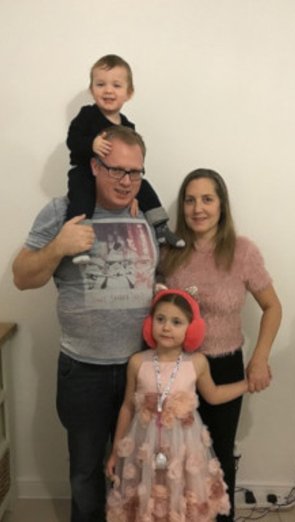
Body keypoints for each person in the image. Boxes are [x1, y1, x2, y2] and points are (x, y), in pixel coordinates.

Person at [13, 125, 158, 521]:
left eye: (135, 172)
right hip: (84, 371)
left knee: (138, 469)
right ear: (94, 166)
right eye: (116, 170)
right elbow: (22, 277)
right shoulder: (62, 212)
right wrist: (59, 246)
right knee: (86, 474)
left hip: (141, 369)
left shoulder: (148, 215)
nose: (126, 181)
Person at [160, 168, 281, 522]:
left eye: (207, 199)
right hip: (176, 368)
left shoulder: (242, 252)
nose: (198, 208)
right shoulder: (169, 251)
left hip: (225, 366)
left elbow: (273, 307)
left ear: (222, 205)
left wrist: (259, 359)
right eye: (190, 200)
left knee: (219, 455)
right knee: (175, 454)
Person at [105, 287, 248, 522]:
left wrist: (247, 385)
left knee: (181, 497)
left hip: (184, 449)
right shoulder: (138, 362)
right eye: (160, 319)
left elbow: (213, 395)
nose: (166, 327)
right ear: (150, 322)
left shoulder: (197, 363)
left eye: (176, 322)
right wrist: (115, 452)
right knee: (147, 499)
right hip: (144, 448)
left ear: (191, 328)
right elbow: (127, 407)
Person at [65, 54, 183, 264]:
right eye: (101, 84)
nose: (108, 90)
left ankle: (160, 227)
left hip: (117, 178)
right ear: (92, 90)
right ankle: (79, 243)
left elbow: (135, 162)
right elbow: (72, 141)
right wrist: (91, 144)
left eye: (116, 85)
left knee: (144, 185)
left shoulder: (128, 126)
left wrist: (133, 194)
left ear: (129, 93)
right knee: (81, 197)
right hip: (85, 172)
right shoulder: (87, 116)